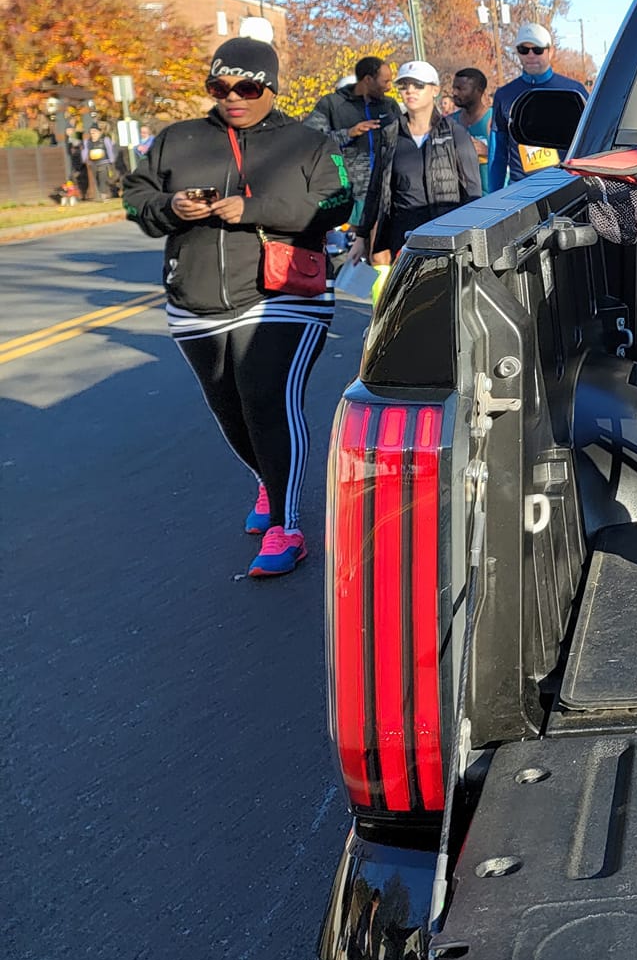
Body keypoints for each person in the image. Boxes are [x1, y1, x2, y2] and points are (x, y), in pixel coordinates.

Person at [122, 37, 353, 577]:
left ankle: (287, 525)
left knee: (263, 393)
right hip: (195, 297)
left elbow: (339, 201)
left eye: (246, 87)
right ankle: (270, 481)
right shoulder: (177, 139)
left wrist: (253, 209)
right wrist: (168, 206)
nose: (233, 97)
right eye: (219, 87)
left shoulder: (306, 142)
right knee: (228, 402)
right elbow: (135, 195)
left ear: (270, 88)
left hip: (285, 294)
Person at [358, 61, 483, 263]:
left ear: (435, 90)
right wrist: (361, 237)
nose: (410, 91)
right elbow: (376, 189)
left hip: (446, 242)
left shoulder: (455, 134)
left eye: (418, 85)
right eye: (404, 85)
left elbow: (473, 192)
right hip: (403, 241)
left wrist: (474, 245)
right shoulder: (390, 134)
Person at [486, 25, 585, 192]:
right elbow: (498, 151)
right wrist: (493, 195)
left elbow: (591, 141)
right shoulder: (504, 95)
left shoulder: (574, 91)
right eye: (524, 49)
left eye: (538, 50)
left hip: (565, 187)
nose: (530, 55)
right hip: (520, 190)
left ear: (550, 51)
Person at [306, 56, 396, 223]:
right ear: (368, 80)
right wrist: (348, 134)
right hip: (349, 194)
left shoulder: (389, 105)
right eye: (385, 82)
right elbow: (310, 141)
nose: (389, 87)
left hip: (385, 195)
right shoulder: (331, 104)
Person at [449, 66, 492, 180]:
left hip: (495, 194)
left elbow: (516, 157)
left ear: (478, 91)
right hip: (464, 195)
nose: (454, 93)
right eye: (454, 88)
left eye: (461, 88)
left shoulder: (495, 119)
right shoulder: (450, 122)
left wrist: (488, 151)